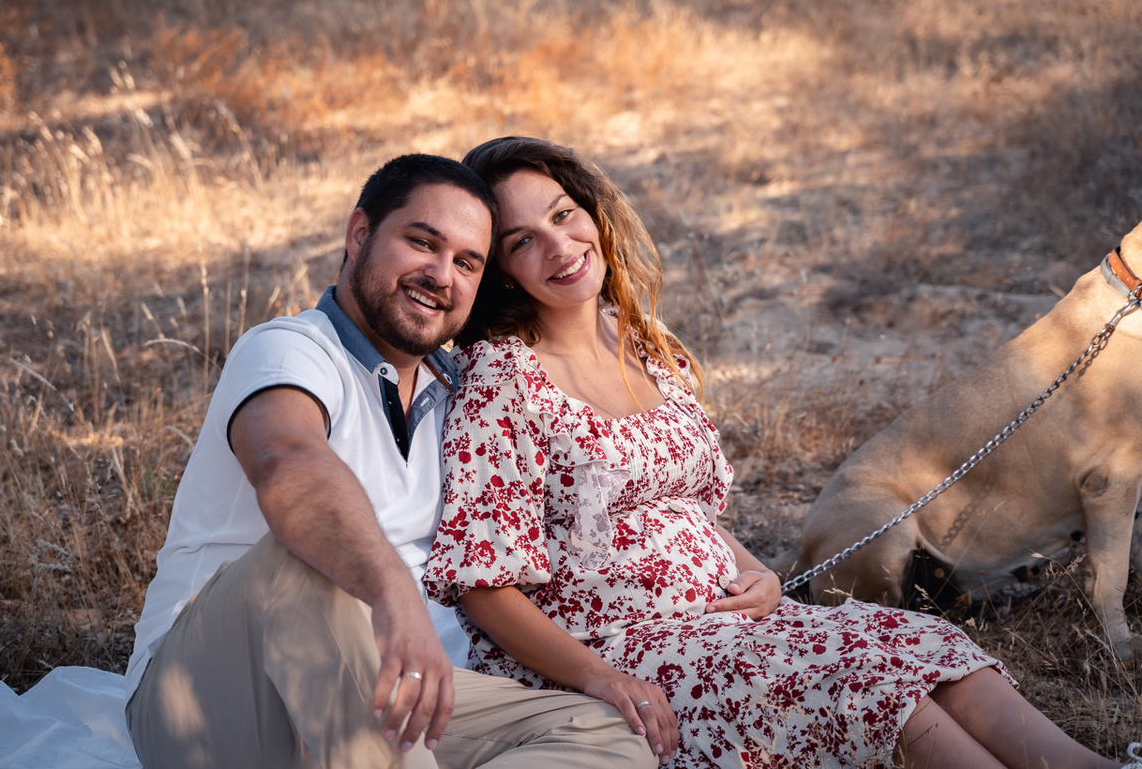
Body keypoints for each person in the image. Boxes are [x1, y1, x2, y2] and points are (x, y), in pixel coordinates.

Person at [423, 136, 1139, 769]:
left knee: (923, 645)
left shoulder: (640, 339)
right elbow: (484, 588)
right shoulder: (502, 379)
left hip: (723, 619)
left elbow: (683, 512)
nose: (558, 246)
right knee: (864, 688)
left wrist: (758, 573)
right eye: (522, 241)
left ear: (592, 211)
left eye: (563, 214)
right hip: (613, 647)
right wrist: (600, 678)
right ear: (501, 270)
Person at [123, 152, 657, 769]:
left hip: (399, 697)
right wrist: (391, 590)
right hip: (214, 702)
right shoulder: (290, 350)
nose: (441, 275)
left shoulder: (460, 392)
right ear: (359, 234)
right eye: (422, 243)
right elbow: (288, 463)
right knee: (301, 564)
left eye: (467, 263)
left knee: (608, 732)